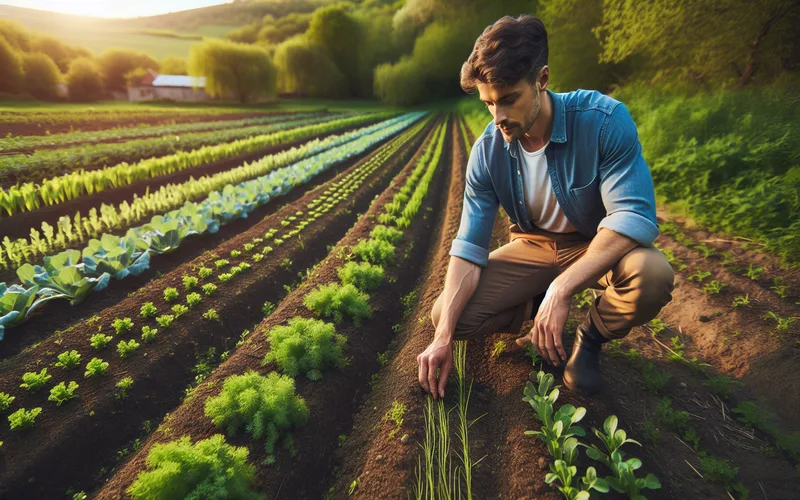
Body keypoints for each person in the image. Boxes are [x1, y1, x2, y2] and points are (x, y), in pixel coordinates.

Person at [416, 14, 675, 400]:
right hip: (534, 247)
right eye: (488, 104)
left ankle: (589, 338)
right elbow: (469, 247)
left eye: (509, 99)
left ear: (542, 80)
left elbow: (631, 216)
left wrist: (563, 288)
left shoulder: (603, 121)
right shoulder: (487, 152)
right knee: (449, 315)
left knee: (652, 275)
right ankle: (533, 308)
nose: (498, 116)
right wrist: (441, 337)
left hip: (594, 243)